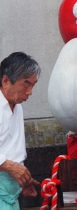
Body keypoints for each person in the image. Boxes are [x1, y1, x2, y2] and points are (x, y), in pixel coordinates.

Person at [0, 52, 40, 210]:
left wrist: (22, 179)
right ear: (5, 81)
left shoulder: (18, 108)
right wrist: (10, 167)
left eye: (33, 85)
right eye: (26, 84)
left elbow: (11, 148)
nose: (30, 92)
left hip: (11, 190)